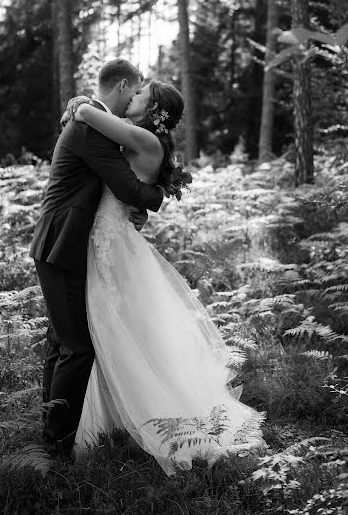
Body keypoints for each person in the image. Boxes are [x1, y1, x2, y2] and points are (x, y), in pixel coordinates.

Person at [67, 80, 266, 476]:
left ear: (154, 108)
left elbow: (88, 114)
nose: (131, 98)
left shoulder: (143, 138)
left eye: (138, 95)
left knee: (111, 328)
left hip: (110, 246)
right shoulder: (145, 139)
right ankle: (114, 419)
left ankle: (145, 417)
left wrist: (81, 102)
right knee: (116, 330)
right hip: (111, 240)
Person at [29, 60, 164, 459]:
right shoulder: (90, 127)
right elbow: (126, 187)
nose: (136, 96)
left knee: (61, 340)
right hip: (63, 243)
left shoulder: (93, 120)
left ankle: (49, 434)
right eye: (136, 90)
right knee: (77, 347)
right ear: (123, 86)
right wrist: (158, 199)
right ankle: (56, 447)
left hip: (63, 243)